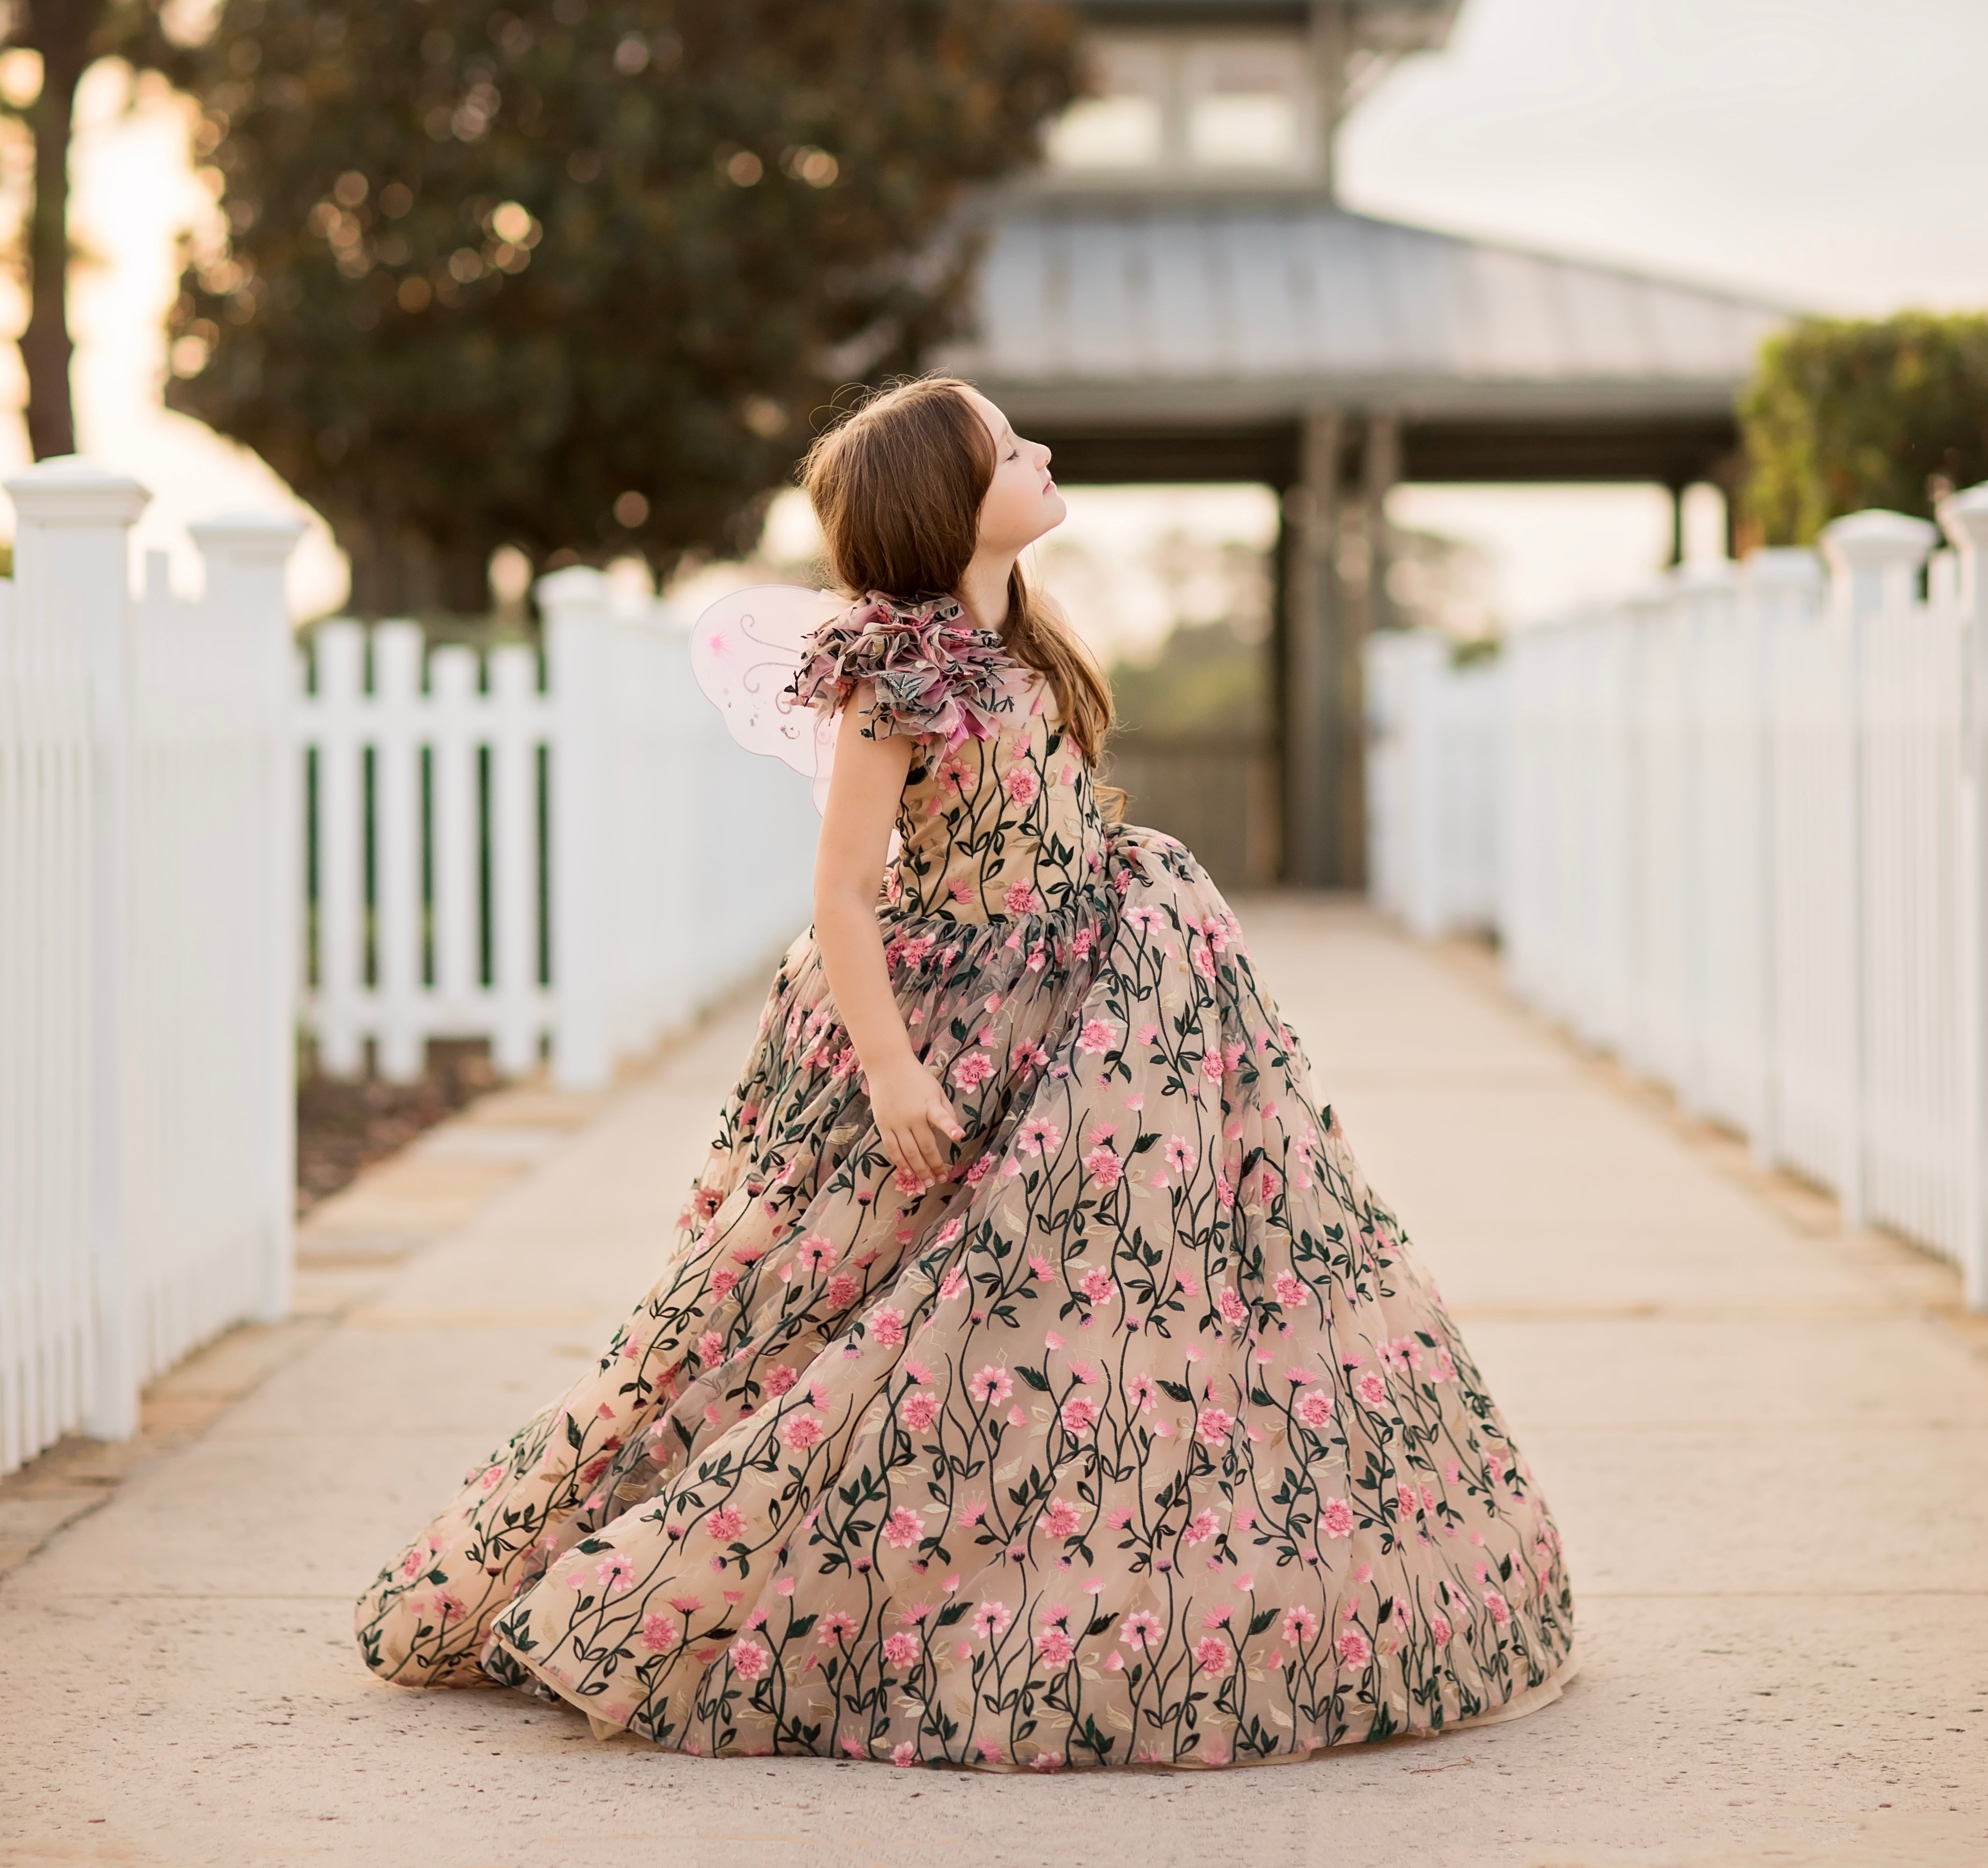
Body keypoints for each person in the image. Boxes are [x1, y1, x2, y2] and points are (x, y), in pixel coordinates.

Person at [355, 376, 1574, 1766]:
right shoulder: (896, 677)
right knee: (859, 1315)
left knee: (1090, 1312)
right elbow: (845, 894)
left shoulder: (1029, 651)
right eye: (1009, 448)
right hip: (958, 1024)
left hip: (1104, 1015)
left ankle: (1096, 1563)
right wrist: (887, 1066)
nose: (1042, 451)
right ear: (949, 502)